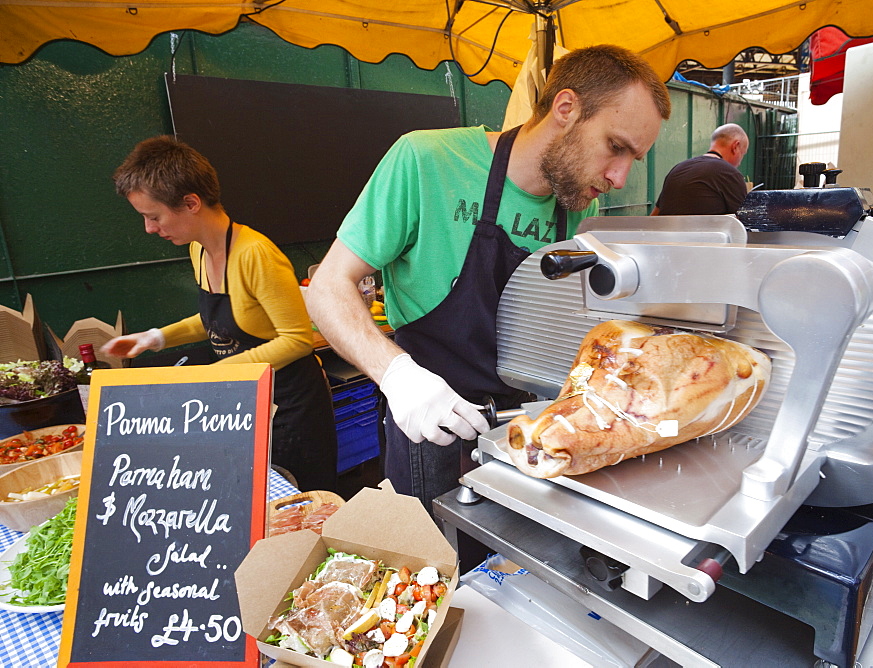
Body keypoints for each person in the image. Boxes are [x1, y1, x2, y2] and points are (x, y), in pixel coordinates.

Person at [306, 45, 671, 513]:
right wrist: (398, 377)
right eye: (616, 147)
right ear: (566, 108)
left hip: (526, 421)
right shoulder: (426, 160)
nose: (620, 177)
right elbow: (328, 287)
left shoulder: (579, 202)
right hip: (431, 419)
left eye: (633, 159)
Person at [102, 136, 338, 492]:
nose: (150, 228)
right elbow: (222, 323)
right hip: (249, 400)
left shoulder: (256, 254)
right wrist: (156, 338)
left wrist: (213, 374)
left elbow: (298, 340)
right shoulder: (197, 251)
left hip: (292, 407)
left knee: (301, 502)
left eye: (154, 216)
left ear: (191, 203)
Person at [652, 123, 749, 216]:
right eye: (742, 154)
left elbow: (654, 217)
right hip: (707, 232)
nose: (740, 163)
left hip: (666, 232)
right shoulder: (730, 174)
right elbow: (746, 223)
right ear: (735, 146)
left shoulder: (677, 169)